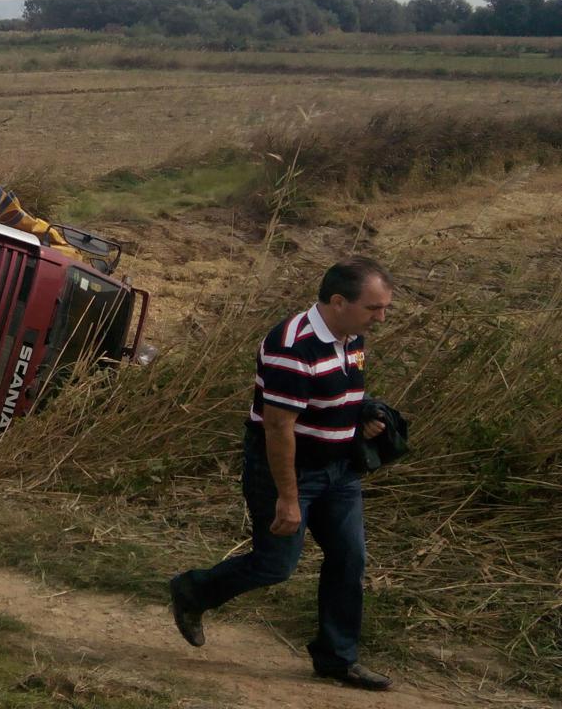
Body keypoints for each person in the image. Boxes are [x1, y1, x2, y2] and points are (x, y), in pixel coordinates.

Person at [169, 257, 395, 691]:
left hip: (340, 470)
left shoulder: (352, 336)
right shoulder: (292, 346)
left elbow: (336, 390)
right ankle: (193, 591)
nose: (380, 317)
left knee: (350, 559)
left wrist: (365, 413)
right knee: (275, 565)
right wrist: (288, 499)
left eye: (384, 307)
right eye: (373, 308)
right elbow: (278, 427)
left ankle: (337, 659)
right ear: (338, 301)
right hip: (287, 469)